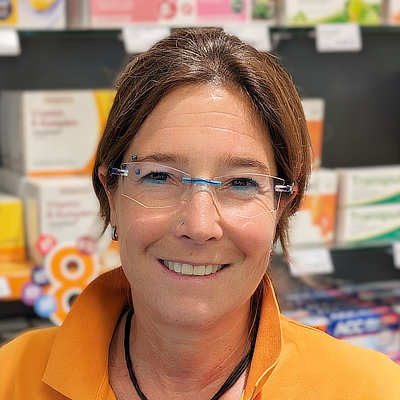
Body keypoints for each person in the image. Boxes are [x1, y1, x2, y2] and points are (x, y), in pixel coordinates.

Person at [0, 27, 399, 400]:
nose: (199, 225)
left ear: (282, 206)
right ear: (111, 193)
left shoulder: (370, 389)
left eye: (241, 183)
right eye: (158, 176)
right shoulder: (14, 377)